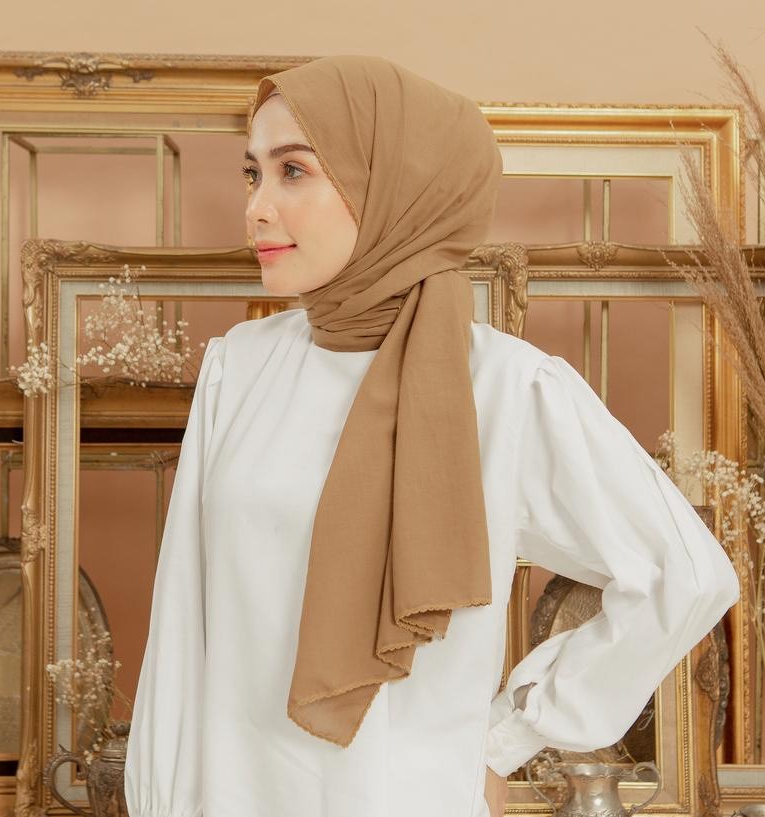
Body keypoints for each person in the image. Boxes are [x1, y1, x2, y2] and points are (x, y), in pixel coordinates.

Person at [123, 55, 740, 817]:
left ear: (396, 187)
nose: (254, 207)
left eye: (293, 171)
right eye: (252, 173)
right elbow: (182, 630)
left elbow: (685, 574)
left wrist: (505, 740)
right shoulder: (239, 369)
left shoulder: (506, 387)